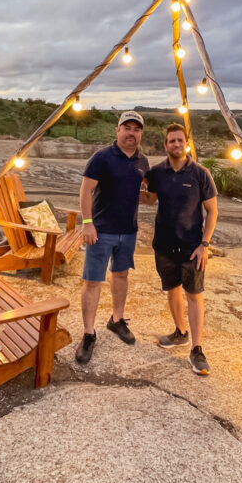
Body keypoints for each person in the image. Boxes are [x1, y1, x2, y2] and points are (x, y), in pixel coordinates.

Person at [142, 123, 218, 375]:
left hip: (191, 246)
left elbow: (212, 211)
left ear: (186, 143)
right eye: (171, 141)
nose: (176, 144)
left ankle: (197, 349)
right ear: (165, 145)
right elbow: (151, 199)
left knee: (194, 295)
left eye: (179, 140)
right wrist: (125, 185)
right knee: (172, 289)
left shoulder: (200, 173)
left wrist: (204, 244)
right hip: (164, 245)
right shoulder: (157, 172)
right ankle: (180, 332)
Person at [75, 110, 151, 364]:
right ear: (117, 130)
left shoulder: (143, 162)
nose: (131, 132)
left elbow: (145, 194)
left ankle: (117, 320)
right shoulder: (102, 158)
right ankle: (88, 333)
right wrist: (87, 223)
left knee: (121, 275)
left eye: (136, 129)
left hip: (128, 231)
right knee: (93, 281)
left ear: (141, 133)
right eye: (126, 127)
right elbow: (86, 191)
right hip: (101, 231)